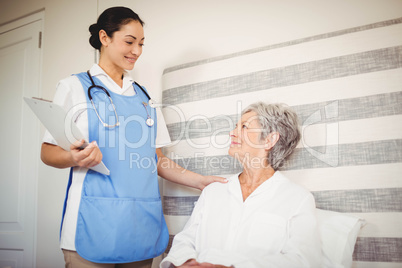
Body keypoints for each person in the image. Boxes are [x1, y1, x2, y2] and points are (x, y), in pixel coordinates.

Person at [40, 6, 226, 268]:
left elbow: (156, 159)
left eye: (141, 43)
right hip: (92, 222)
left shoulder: (144, 97)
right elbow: (47, 152)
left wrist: (200, 181)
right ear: (105, 38)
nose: (136, 51)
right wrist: (74, 157)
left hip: (140, 223)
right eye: (129, 41)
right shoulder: (73, 87)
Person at [160, 102, 322, 268]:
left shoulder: (297, 199)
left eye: (244, 126)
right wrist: (186, 263)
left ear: (269, 139)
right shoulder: (213, 191)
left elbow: (304, 261)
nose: (232, 133)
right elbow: (185, 241)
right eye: (235, 126)